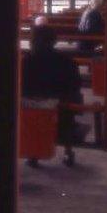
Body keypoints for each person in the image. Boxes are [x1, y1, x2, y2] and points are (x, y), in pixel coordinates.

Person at [21, 25, 85, 163]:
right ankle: (68, 151)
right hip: (60, 119)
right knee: (71, 102)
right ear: (54, 41)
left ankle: (33, 154)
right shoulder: (67, 63)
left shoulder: (24, 63)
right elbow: (75, 87)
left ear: (32, 41)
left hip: (28, 119)